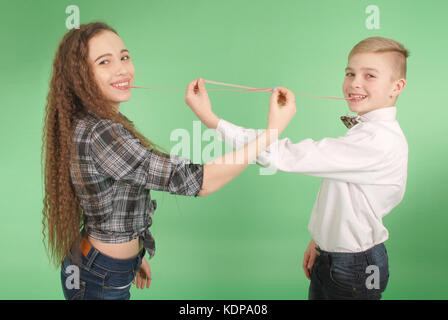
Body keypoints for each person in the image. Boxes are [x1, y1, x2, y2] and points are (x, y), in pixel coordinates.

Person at [41, 21, 296, 300]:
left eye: (124, 57)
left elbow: (116, 199)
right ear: (80, 75)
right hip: (100, 275)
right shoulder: (101, 133)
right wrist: (272, 131)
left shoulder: (98, 122)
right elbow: (200, 181)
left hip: (103, 266)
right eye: (104, 62)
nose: (122, 69)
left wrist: (133, 257)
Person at [190, 37, 409, 299]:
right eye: (350, 73)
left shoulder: (376, 140)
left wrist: (213, 121)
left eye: (369, 75)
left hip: (355, 265)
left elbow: (284, 155)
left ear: (396, 86)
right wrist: (319, 241)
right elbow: (346, 200)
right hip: (337, 257)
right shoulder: (369, 133)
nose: (354, 83)